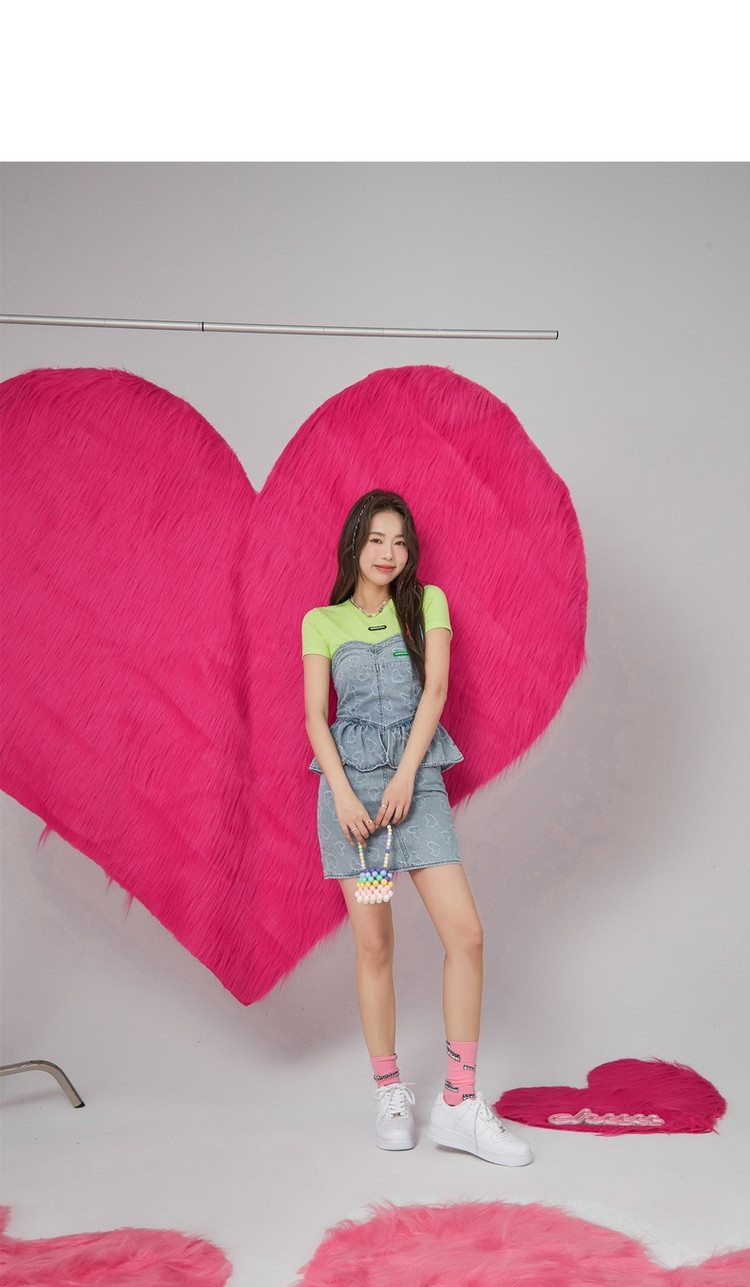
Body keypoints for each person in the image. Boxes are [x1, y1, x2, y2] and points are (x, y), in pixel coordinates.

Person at [302, 490, 532, 1167]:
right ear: (355, 544)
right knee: (374, 944)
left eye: (400, 541)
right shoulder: (322, 621)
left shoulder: (427, 603)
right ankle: (389, 1092)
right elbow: (315, 716)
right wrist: (344, 794)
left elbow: (435, 691)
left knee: (466, 933)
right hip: (356, 805)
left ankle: (459, 1101)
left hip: (416, 786)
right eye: (377, 539)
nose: (389, 553)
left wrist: (406, 776)